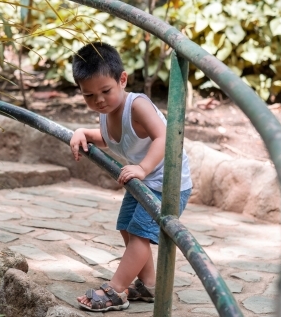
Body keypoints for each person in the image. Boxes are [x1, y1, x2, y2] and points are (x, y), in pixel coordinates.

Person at [69, 42, 193, 312]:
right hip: (144, 181)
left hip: (166, 183)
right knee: (126, 225)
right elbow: (111, 139)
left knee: (139, 235)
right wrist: (83, 132)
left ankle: (115, 289)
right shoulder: (106, 112)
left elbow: (165, 136)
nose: (99, 100)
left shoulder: (136, 105)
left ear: (122, 79)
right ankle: (149, 284)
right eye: (89, 96)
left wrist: (143, 168)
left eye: (105, 91)